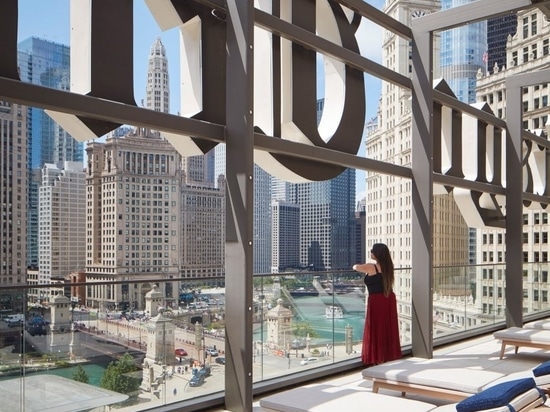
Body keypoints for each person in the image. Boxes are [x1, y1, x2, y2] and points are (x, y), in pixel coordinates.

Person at [353, 243, 401, 365]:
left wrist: (354, 266)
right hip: (388, 298)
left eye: (372, 250)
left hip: (376, 301)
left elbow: (356, 267)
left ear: (377, 254)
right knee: (385, 327)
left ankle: (378, 358)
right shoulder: (388, 267)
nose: (371, 252)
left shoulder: (370, 267)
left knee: (376, 329)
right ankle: (385, 356)